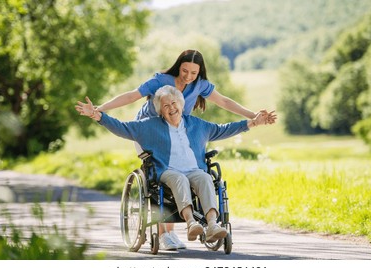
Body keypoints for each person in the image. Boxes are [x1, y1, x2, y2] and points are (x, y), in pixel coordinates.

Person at [76, 49, 271, 250]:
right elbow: (131, 99)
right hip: (152, 132)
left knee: (204, 177)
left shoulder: (196, 117)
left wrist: (253, 119)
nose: (188, 76)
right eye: (184, 70)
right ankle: (171, 232)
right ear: (179, 67)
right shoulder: (160, 85)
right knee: (172, 176)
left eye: (193, 73)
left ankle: (212, 225)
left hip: (183, 139)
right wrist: (99, 112)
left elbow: (223, 111)